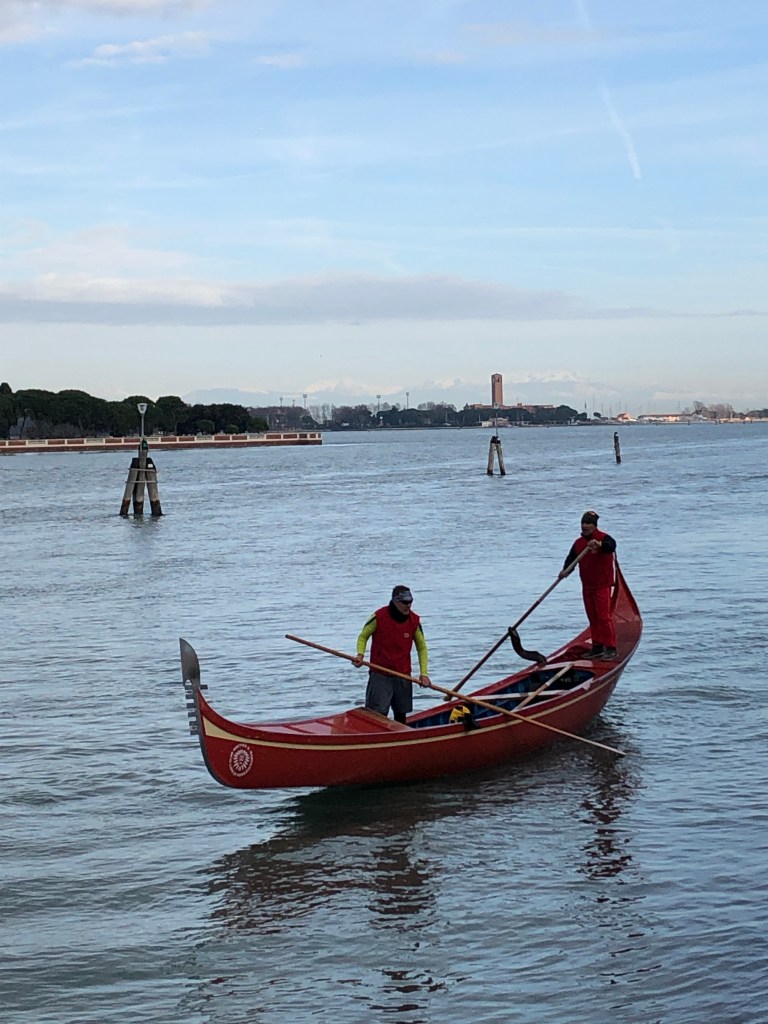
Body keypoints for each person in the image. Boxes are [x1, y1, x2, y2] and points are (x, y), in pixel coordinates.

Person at [352, 585, 431, 724]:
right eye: (404, 602)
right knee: (378, 714)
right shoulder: (378, 616)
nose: (408, 605)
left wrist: (424, 673)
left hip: (403, 675)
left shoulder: (414, 621)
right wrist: (360, 655)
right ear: (395, 601)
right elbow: (363, 636)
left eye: (410, 601)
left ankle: (402, 740)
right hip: (380, 674)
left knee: (401, 714)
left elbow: (422, 648)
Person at [559, 511, 618, 660]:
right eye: (583, 523)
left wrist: (599, 544)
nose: (584, 526)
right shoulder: (579, 543)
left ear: (594, 525)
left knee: (603, 617)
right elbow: (571, 559)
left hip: (602, 585)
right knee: (592, 617)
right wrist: (565, 571)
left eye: (588, 523)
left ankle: (611, 647)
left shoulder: (603, 538)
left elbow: (611, 546)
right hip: (587, 585)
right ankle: (597, 646)